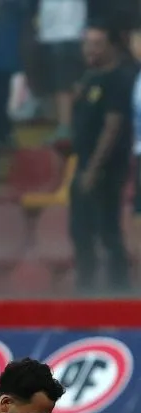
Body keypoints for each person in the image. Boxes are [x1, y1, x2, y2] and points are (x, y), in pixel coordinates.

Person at [69, 19, 135, 292]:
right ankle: (85, 288)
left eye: (97, 44)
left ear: (111, 46)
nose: (90, 50)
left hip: (106, 168)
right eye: (87, 44)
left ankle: (120, 289)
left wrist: (94, 169)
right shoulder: (89, 77)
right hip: (84, 165)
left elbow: (112, 127)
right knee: (79, 231)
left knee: (108, 232)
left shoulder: (119, 78)